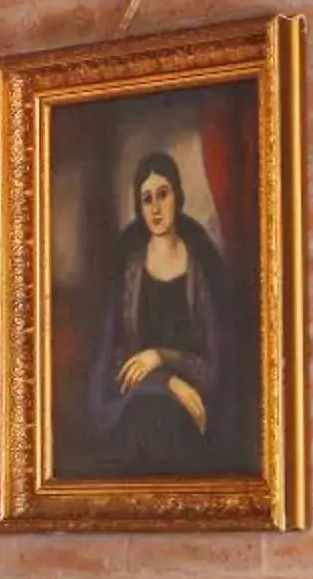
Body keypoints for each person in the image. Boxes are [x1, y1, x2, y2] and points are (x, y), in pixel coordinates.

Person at [86, 149, 228, 476]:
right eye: (147, 198)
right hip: (138, 399)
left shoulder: (203, 266)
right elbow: (116, 360)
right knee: (150, 416)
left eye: (163, 194)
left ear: (177, 196)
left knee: (170, 424)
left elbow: (215, 366)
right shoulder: (128, 267)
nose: (156, 207)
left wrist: (161, 356)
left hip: (198, 401)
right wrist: (167, 384)